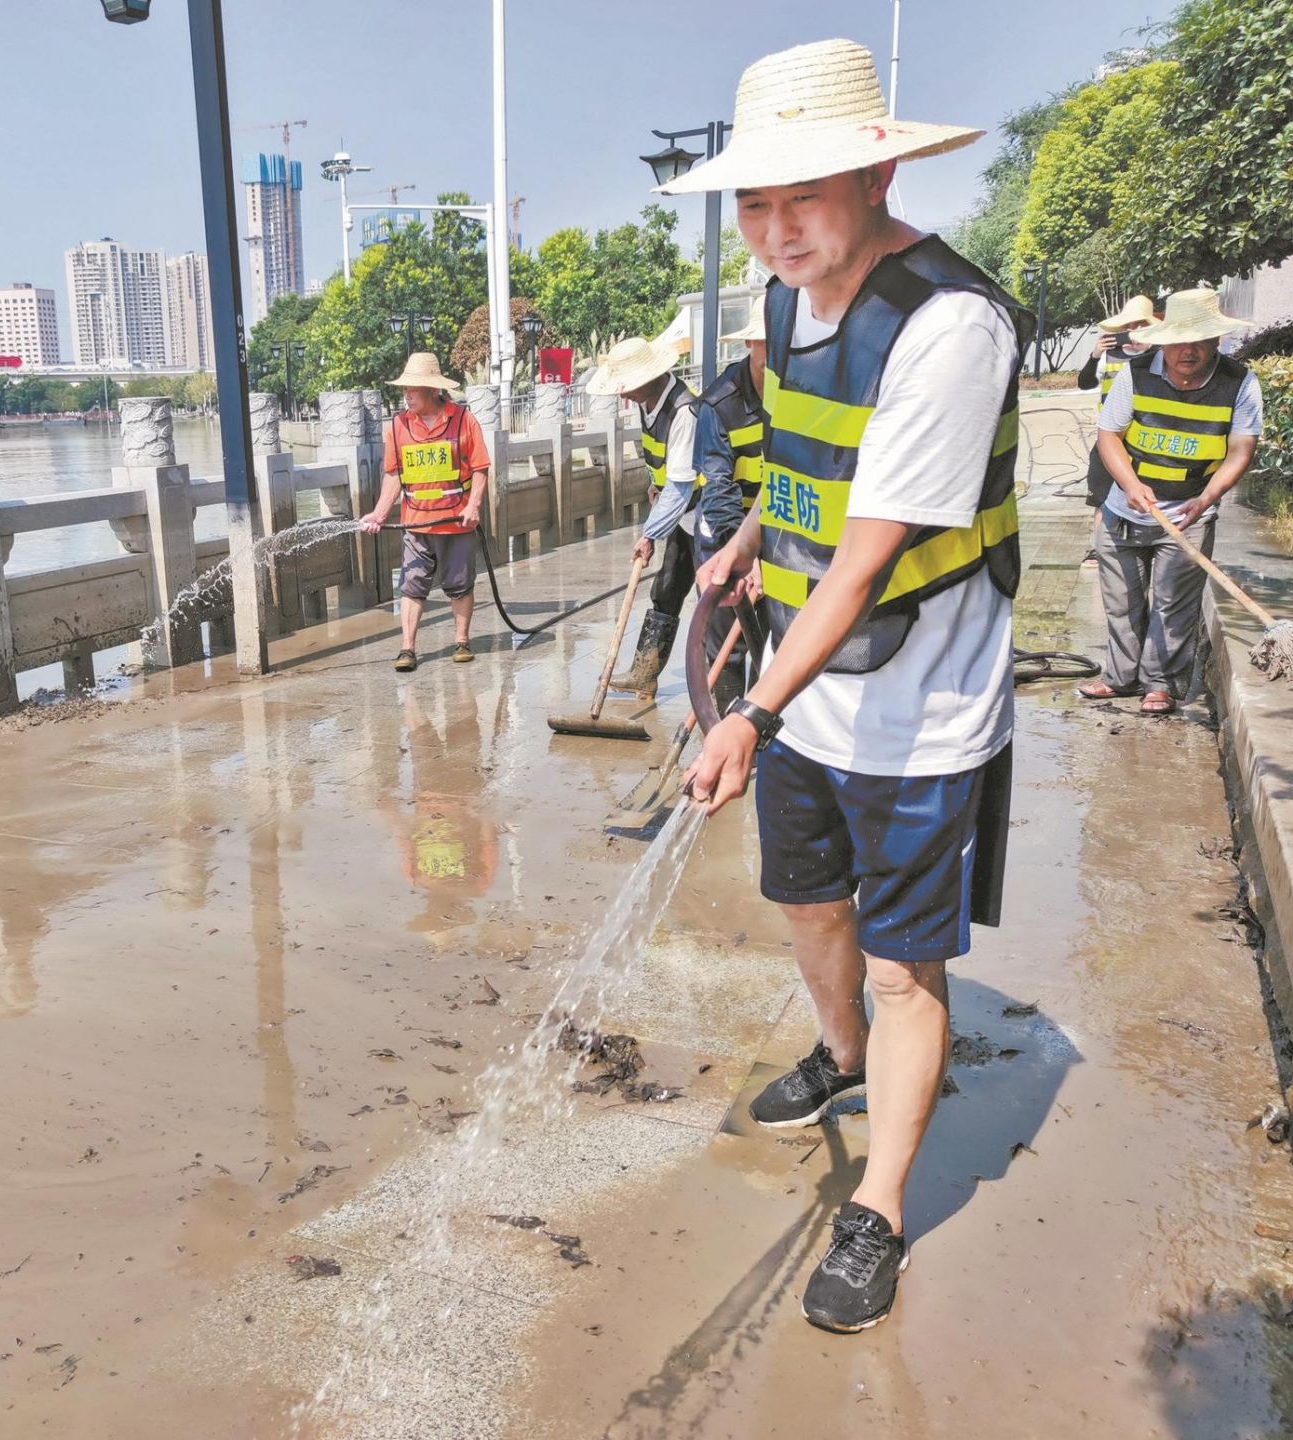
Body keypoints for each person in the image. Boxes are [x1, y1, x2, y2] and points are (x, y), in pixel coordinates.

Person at [675, 37, 1030, 1334]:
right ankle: (839, 1066)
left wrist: (751, 712)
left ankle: (878, 1205)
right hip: (806, 684)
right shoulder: (783, 300)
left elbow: (874, 558)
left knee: (899, 966)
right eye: (753, 205)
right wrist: (748, 540)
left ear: (879, 171)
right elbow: (808, 473)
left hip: (921, 705)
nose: (775, 232)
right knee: (806, 904)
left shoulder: (949, 327)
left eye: (801, 197)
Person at [1079, 288, 1260, 715]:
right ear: (1165, 340)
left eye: (1200, 341)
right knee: (1122, 601)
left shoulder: (1239, 382)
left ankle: (1159, 684)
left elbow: (1240, 451)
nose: (1189, 351)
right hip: (1126, 508)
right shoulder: (1135, 373)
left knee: (1172, 604)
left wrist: (1207, 497)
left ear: (1217, 341)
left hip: (1189, 510)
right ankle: (1119, 678)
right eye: (1180, 340)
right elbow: (1110, 436)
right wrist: (1130, 485)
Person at [361, 352, 493, 672]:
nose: (406, 395)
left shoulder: (463, 420)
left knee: (459, 584)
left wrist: (474, 505)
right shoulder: (398, 425)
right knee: (411, 585)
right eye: (404, 389)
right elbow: (394, 475)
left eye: (413, 388)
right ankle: (407, 649)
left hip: (455, 521)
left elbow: (480, 468)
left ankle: (462, 641)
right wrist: (379, 513)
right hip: (416, 523)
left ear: (433, 390)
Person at [585, 330, 700, 693]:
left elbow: (683, 486)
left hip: (712, 516)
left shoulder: (685, 410)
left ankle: (729, 682)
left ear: (650, 377)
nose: (621, 392)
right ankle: (644, 674)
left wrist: (650, 534)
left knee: (720, 602)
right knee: (666, 590)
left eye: (627, 385)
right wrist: (654, 483)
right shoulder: (645, 403)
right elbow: (663, 465)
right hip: (681, 515)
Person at [692, 312, 769, 707]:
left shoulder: (799, 392)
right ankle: (721, 726)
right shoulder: (718, 404)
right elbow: (718, 489)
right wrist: (743, 553)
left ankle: (762, 738)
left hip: (778, 525)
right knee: (726, 640)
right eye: (766, 345)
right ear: (749, 345)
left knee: (774, 641)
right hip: (725, 533)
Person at [1077, 296, 1158, 513]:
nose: (1133, 330)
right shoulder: (1110, 355)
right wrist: (1095, 355)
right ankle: (1098, 546)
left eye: (1140, 325)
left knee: (1142, 498)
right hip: (1110, 435)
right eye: (1128, 326)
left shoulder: (1161, 355)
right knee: (1100, 499)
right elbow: (1084, 383)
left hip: (1145, 439)